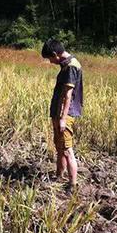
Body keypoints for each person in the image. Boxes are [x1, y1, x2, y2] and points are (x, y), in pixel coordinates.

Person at [41, 39, 83, 191]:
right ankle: (59, 176)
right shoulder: (66, 65)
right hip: (58, 114)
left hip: (65, 115)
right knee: (60, 148)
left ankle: (72, 185)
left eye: (50, 58)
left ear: (55, 54)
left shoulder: (71, 67)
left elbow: (68, 95)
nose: (51, 62)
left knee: (67, 149)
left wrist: (63, 119)